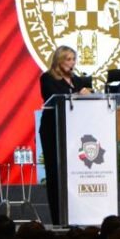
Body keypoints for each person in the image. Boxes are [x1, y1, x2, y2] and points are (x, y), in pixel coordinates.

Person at [38, 46, 92, 225]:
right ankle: (58, 218)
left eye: (73, 59)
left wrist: (87, 94)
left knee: (73, 173)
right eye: (68, 59)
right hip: (53, 130)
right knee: (55, 173)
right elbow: (53, 97)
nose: (72, 63)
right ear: (59, 60)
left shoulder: (77, 80)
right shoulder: (47, 78)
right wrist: (76, 95)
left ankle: (76, 215)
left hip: (74, 131)